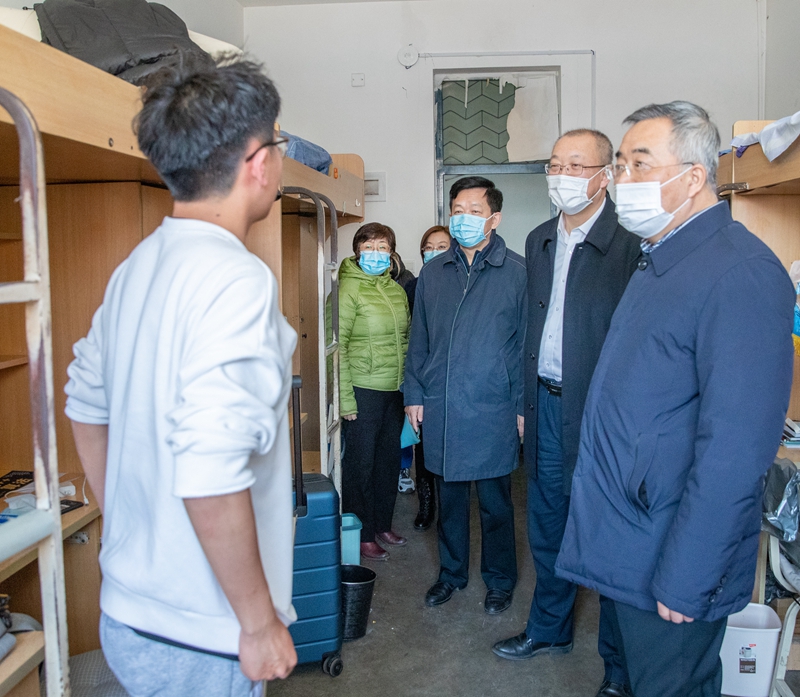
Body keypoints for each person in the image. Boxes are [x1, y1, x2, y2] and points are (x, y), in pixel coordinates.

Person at [64, 58, 297, 696]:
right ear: (259, 162)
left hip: (130, 611)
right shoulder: (238, 279)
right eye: (278, 144)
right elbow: (210, 467)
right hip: (202, 631)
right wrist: (258, 623)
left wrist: (133, 528)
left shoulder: (138, 265)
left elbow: (85, 405)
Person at [555, 101, 795, 697]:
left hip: (671, 558)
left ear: (692, 178)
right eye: (620, 165)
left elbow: (735, 453)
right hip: (631, 539)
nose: (622, 180)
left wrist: (689, 576)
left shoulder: (740, 272)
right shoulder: (663, 257)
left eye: (640, 164)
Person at [491, 129, 640, 697]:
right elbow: (532, 326)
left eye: (577, 166)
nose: (562, 175)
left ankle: (619, 666)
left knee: (608, 533)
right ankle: (549, 630)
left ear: (606, 175)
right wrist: (525, 405)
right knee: (548, 523)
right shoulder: (540, 239)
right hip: (546, 405)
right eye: (555, 164)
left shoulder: (630, 242)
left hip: (603, 413)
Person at [405, 177, 526, 614]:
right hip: (442, 403)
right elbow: (419, 339)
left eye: (475, 211)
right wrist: (414, 392)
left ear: (495, 218)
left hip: (493, 404)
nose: (464, 218)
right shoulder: (434, 272)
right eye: (457, 210)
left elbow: (525, 346)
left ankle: (500, 579)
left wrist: (521, 406)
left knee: (496, 504)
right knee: (451, 502)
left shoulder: (517, 272)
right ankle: (451, 574)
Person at [339, 223, 411, 561]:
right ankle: (362, 533)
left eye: (382, 247)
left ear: (392, 253)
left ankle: (382, 524)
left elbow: (407, 342)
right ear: (357, 251)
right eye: (368, 246)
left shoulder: (396, 290)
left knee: (387, 463)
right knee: (360, 467)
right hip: (361, 390)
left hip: (393, 390)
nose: (375, 253)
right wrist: (345, 398)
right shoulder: (347, 289)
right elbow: (335, 347)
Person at [406, 225, 451, 531]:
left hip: (449, 378)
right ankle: (426, 506)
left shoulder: (460, 283)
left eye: (442, 246)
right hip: (421, 378)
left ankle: (449, 509)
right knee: (422, 447)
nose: (434, 252)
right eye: (429, 247)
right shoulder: (413, 287)